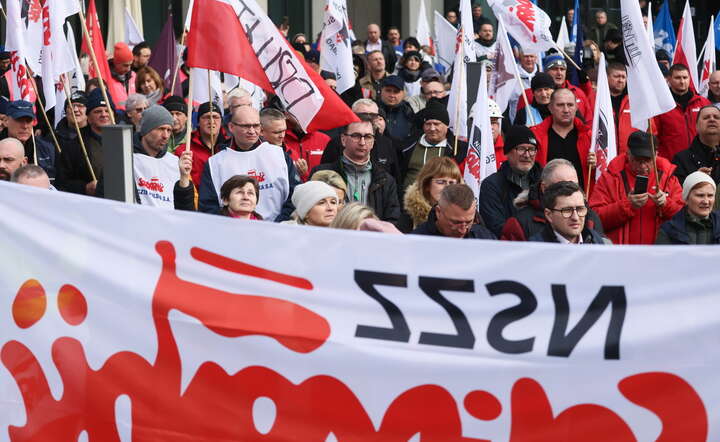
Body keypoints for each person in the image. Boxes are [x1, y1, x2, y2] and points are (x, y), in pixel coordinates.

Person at [199, 105, 299, 221]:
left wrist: (279, 223)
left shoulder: (280, 155)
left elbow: (296, 195)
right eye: (245, 126)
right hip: (233, 232)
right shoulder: (215, 163)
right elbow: (209, 207)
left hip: (277, 229)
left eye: (256, 125)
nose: (252, 131)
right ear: (231, 127)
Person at [590, 131, 684, 244]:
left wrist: (666, 204)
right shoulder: (610, 177)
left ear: (656, 155)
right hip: (621, 255)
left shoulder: (668, 178)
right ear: (628, 154)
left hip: (659, 255)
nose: (642, 166)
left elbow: (684, 217)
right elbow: (594, 218)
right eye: (637, 160)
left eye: (647, 160)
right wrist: (627, 205)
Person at [312, 118, 400, 224]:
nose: (362, 142)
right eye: (356, 136)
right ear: (343, 140)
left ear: (373, 142)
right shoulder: (321, 175)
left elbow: (392, 219)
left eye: (368, 137)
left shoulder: (386, 180)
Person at [501, 158, 604, 241]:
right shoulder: (519, 223)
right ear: (544, 188)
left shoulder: (590, 217)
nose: (575, 217)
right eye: (561, 186)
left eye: (573, 185)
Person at [125, 105, 194, 210]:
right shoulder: (126, 158)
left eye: (169, 130)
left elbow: (186, 208)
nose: (165, 136)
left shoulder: (175, 162)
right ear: (146, 130)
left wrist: (184, 178)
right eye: (161, 129)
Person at [479, 125, 543, 236]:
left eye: (532, 149)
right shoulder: (492, 185)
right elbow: (495, 227)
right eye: (521, 149)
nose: (527, 155)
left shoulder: (544, 182)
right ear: (508, 152)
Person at [320, 99, 401, 181]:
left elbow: (395, 178)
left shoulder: (387, 143)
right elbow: (324, 176)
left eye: (373, 116)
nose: (368, 119)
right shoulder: (337, 143)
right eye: (363, 115)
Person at [531, 88, 595, 189]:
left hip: (580, 200)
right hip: (548, 199)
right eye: (560, 105)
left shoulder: (590, 137)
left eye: (570, 105)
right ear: (550, 108)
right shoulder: (535, 136)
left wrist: (597, 165)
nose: (566, 110)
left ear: (576, 107)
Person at [399, 98, 466, 191]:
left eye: (436, 124)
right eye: (428, 124)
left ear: (446, 126)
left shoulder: (458, 149)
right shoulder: (408, 146)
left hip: (443, 201)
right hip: (411, 201)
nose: (432, 128)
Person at [55, 88, 114, 195]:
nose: (104, 114)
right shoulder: (74, 146)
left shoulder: (125, 141)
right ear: (89, 117)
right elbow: (61, 183)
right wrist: (84, 188)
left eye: (107, 110)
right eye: (97, 111)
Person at [655, 64, 713, 160]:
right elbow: (654, 136)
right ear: (669, 79)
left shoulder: (703, 103)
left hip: (701, 160)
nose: (682, 81)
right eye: (677, 78)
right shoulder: (661, 105)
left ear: (689, 78)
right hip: (671, 162)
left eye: (685, 77)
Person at [529, 181, 608, 244]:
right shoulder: (536, 249)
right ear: (549, 215)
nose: (575, 217)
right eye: (567, 210)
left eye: (580, 209)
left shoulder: (596, 240)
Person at [400, 156, 462, 232]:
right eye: (441, 182)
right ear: (427, 185)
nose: (447, 187)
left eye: (452, 183)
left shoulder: (467, 216)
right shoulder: (410, 217)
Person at [655, 172, 720, 244]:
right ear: (686, 198)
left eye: (710, 195)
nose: (706, 201)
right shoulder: (668, 230)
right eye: (700, 195)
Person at [411, 184, 495, 239]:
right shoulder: (418, 241)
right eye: (456, 222)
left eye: (468, 222)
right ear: (438, 212)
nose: (462, 230)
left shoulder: (484, 238)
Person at [174, 101, 227, 186]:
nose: (211, 121)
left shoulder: (229, 147)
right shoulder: (184, 151)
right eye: (206, 117)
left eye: (215, 117)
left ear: (221, 121)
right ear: (198, 122)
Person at [1, 100, 55, 180]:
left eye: (29, 120)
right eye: (19, 120)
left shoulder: (46, 148)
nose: (25, 126)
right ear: (6, 121)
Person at [529, 55, 592, 124]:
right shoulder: (533, 93)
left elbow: (589, 120)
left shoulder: (578, 92)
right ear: (546, 71)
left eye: (562, 69)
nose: (559, 73)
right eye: (554, 69)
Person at [672, 106, 720, 187]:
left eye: (716, 117)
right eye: (706, 117)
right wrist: (694, 179)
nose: (712, 119)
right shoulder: (681, 159)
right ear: (696, 126)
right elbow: (677, 194)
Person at [378, 75, 416, 143]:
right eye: (388, 90)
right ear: (381, 91)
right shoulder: (372, 109)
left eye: (396, 92)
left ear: (403, 94)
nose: (392, 95)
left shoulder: (409, 112)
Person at [107, 42, 137, 110]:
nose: (128, 69)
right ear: (116, 63)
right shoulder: (106, 77)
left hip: (133, 115)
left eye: (130, 65)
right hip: (115, 115)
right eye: (125, 65)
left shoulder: (134, 75)